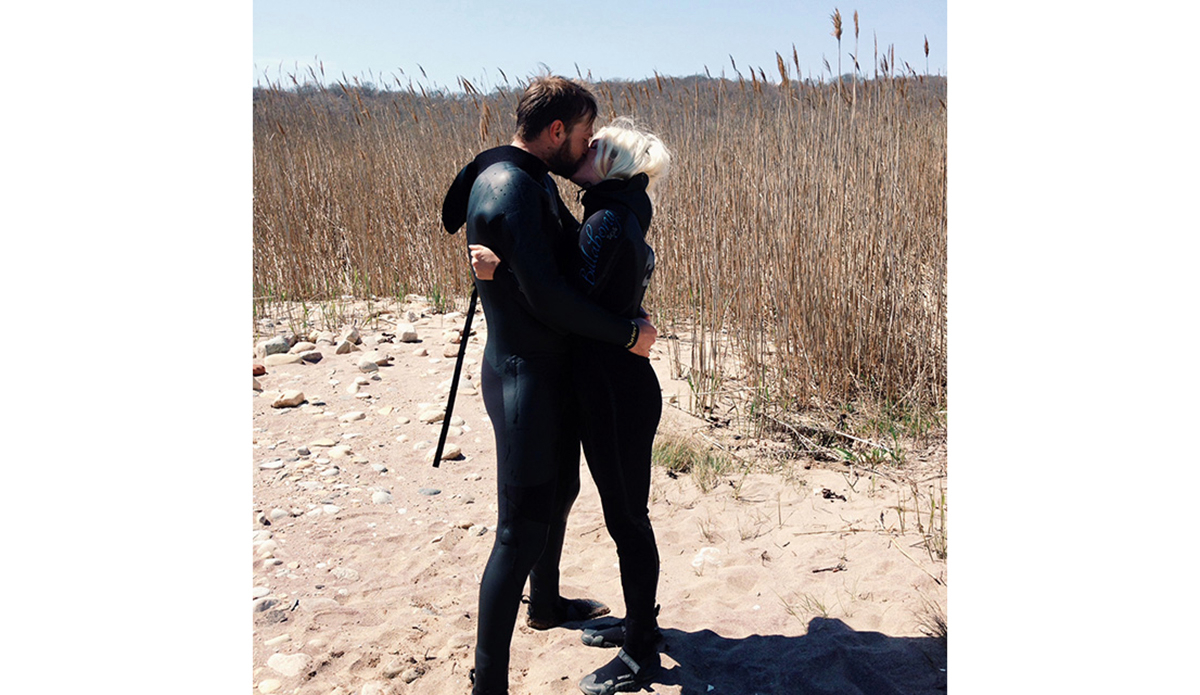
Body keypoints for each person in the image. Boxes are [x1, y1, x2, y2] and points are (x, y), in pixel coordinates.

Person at [440, 77, 657, 695]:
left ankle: (547, 603)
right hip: (523, 378)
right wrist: (625, 334)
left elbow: (550, 268)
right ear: (557, 132)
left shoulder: (525, 179)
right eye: (585, 135)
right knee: (519, 529)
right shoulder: (510, 183)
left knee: (559, 492)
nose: (589, 146)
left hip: (547, 372)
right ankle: (490, 683)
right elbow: (552, 297)